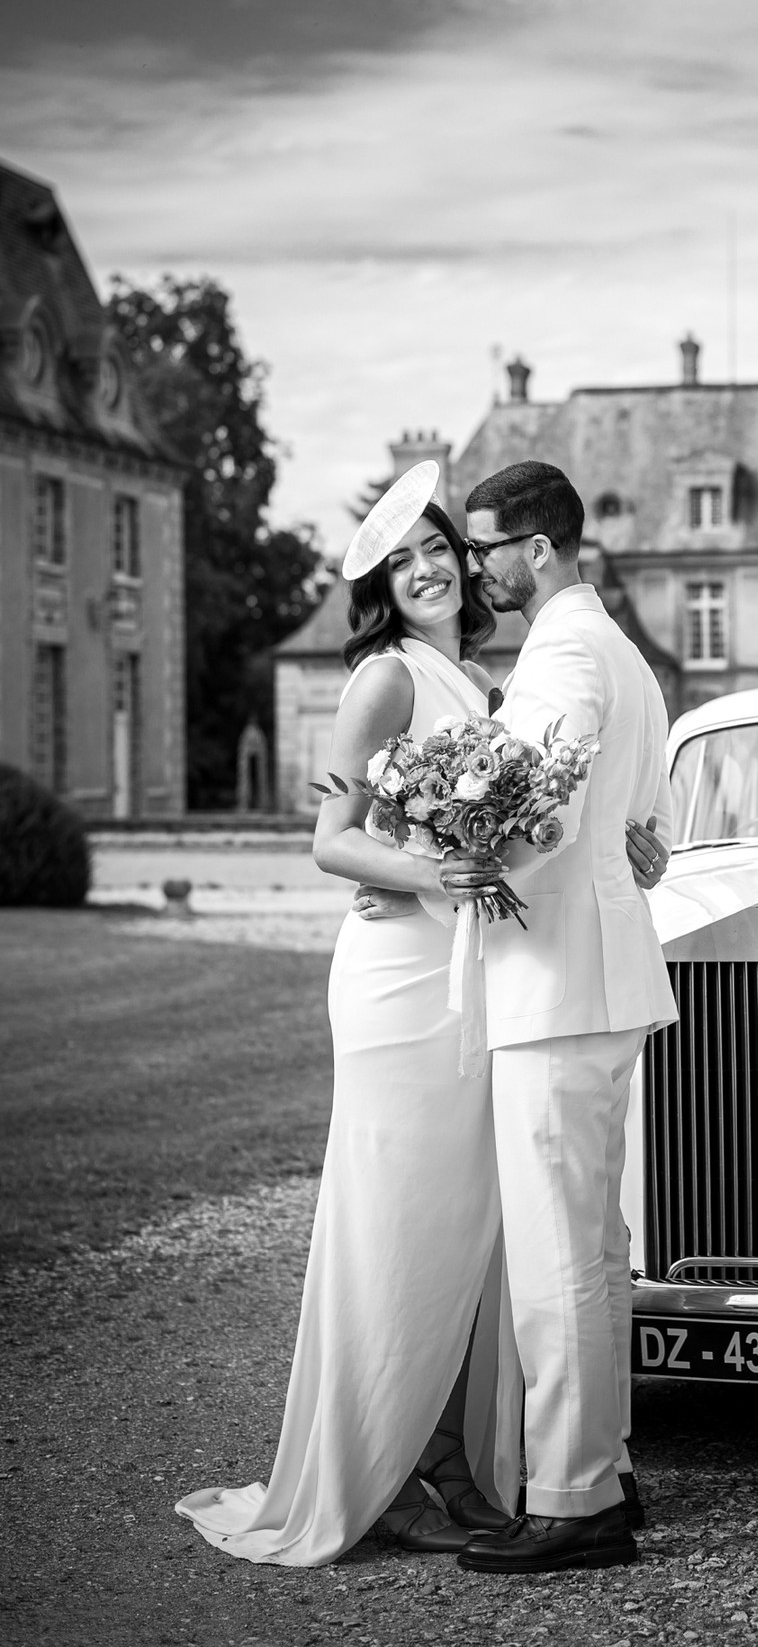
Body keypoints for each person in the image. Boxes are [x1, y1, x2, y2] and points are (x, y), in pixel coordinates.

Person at [175, 465, 666, 1566]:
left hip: (484, 972)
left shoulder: (499, 674)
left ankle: (450, 1459)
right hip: (408, 973)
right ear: (383, 591)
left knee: (481, 1237)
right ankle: (387, 1468)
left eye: (444, 547)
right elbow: (330, 840)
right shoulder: (389, 680)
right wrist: (432, 872)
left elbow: (573, 813)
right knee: (402, 1218)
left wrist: (615, 849)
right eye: (407, 562)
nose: (438, 567)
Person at [449, 461, 679, 1576]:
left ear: (536, 549)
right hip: (606, 977)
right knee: (593, 1240)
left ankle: (574, 1497)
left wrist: (458, 850)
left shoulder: (564, 650)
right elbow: (653, 832)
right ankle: (609, 1467)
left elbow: (540, 802)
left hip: (556, 982)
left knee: (558, 1251)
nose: (474, 565)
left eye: (485, 545)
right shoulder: (626, 653)